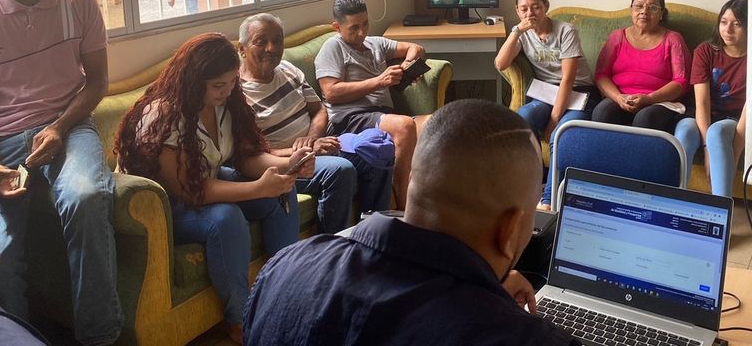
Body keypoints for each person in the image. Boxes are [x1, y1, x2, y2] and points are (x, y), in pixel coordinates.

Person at [244, 99, 580, 346]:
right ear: (509, 231)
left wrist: (484, 294)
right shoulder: (529, 338)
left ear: (413, 182)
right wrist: (489, 305)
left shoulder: (284, 266)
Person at [114, 33, 306, 344]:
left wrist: (287, 164)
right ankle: (240, 319)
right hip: (165, 206)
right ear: (193, 81)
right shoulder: (164, 113)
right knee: (226, 218)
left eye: (231, 82)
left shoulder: (227, 103)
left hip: (206, 181)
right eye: (218, 85)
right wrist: (259, 188)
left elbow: (246, 157)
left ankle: (284, 290)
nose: (227, 91)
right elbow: (189, 191)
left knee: (283, 190)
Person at [0, 0, 122, 346]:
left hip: (68, 127)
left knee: (86, 197)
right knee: (1, 251)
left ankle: (99, 337)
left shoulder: (79, 2)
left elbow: (98, 81)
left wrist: (58, 126)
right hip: (3, 141)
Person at [238, 13, 392, 231]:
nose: (271, 48)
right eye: (261, 41)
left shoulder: (288, 69)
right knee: (340, 170)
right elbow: (250, 154)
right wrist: (305, 151)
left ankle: (373, 233)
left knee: (379, 152)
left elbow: (319, 109)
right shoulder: (237, 94)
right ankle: (331, 244)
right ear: (242, 49)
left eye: (277, 41)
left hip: (317, 144)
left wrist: (312, 139)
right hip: (285, 161)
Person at [315, 0, 427, 209]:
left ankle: (428, 200)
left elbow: (415, 48)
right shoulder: (333, 47)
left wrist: (408, 64)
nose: (361, 32)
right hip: (350, 118)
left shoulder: (376, 43)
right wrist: (379, 81)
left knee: (435, 124)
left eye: (365, 24)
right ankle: (405, 208)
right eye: (354, 28)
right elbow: (331, 92)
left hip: (383, 115)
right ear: (337, 27)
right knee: (404, 126)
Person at [494, 0, 601, 210]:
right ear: (517, 11)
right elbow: (500, 64)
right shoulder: (523, 33)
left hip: (580, 93)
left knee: (560, 133)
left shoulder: (566, 31)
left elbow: (568, 79)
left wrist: (553, 120)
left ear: (546, 7)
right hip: (547, 93)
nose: (530, 13)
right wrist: (516, 31)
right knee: (523, 119)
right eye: (524, 9)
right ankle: (532, 184)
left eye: (535, 7)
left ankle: (548, 200)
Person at [673, 0, 748, 197]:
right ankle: (675, 202)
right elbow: (702, 102)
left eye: (737, 24)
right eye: (724, 22)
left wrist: (735, 154)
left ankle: (721, 208)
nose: (728, 30)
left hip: (735, 119)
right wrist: (707, 150)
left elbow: (750, 110)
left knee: (716, 132)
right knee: (684, 132)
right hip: (702, 113)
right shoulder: (705, 51)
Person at [591, 0, 691, 133]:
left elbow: (681, 81)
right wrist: (618, 97)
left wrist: (649, 99)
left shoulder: (673, 39)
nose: (644, 11)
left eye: (652, 8)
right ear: (631, 9)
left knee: (645, 118)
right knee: (602, 113)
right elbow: (601, 75)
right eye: (639, 6)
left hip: (659, 102)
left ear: (661, 14)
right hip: (621, 98)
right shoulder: (617, 37)